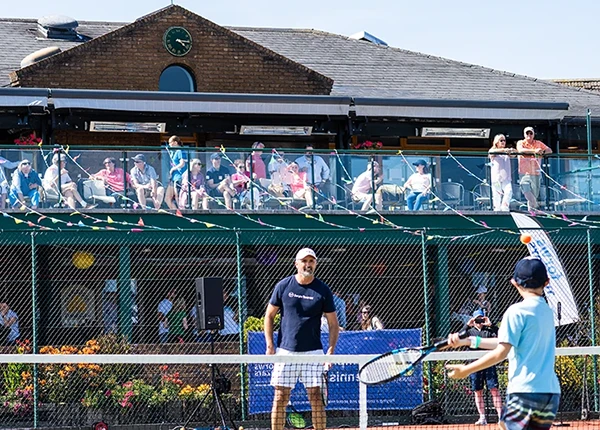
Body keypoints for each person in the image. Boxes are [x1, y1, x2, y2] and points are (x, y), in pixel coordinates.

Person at [446, 257, 560, 430]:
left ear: (514, 282)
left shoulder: (516, 312)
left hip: (525, 391)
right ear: (547, 282)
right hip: (549, 392)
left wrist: (466, 370)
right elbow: (508, 341)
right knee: (505, 426)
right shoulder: (547, 311)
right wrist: (469, 340)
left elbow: (502, 351)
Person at [264, 248, 339, 430]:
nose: (308, 264)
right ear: (296, 264)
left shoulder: (323, 290)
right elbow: (269, 316)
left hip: (313, 352)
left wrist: (330, 351)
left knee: (315, 397)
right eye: (304, 261)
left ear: (316, 264)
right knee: (280, 397)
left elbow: (333, 324)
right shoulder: (283, 286)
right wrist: (270, 345)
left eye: (311, 261)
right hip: (286, 351)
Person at [465, 309, 503, 425]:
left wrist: (491, 325)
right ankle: (482, 418)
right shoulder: (470, 332)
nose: (479, 321)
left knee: (494, 390)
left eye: (481, 318)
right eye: (477, 318)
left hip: (489, 364)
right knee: (478, 391)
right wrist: (467, 325)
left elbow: (501, 336)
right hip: (475, 365)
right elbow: (459, 336)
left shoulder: (489, 330)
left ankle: (501, 417)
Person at [517, 127, 552, 211]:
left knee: (534, 193)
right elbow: (521, 151)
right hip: (524, 172)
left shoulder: (538, 143)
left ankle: (532, 212)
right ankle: (536, 205)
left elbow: (549, 150)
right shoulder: (521, 142)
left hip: (535, 172)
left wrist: (541, 152)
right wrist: (534, 151)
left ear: (533, 134)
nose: (529, 135)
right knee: (525, 189)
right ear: (524, 134)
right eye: (527, 133)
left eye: (531, 133)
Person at [489, 134, 515, 212]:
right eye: (501, 140)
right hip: (496, 178)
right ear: (497, 142)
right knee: (497, 194)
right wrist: (505, 150)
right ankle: (497, 210)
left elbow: (514, 154)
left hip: (506, 178)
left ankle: (504, 207)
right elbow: (491, 152)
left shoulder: (507, 152)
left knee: (509, 191)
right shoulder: (493, 150)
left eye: (504, 140)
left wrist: (511, 151)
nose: (503, 142)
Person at [165, 135, 188, 210]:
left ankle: (182, 213)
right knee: (167, 198)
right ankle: (176, 212)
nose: (169, 145)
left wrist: (173, 169)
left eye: (170, 143)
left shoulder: (180, 151)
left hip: (179, 177)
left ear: (175, 142)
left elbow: (182, 164)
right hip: (173, 178)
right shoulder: (173, 152)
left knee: (178, 197)